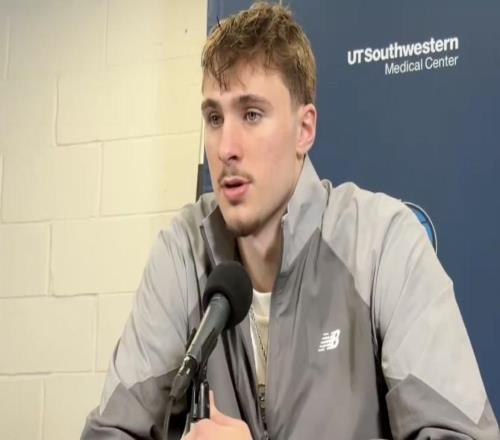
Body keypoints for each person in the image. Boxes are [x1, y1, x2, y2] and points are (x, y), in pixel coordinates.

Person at [82, 3, 499, 439]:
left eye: (252, 114)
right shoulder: (183, 251)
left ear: (304, 130)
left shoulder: (383, 243)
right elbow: (112, 432)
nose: (226, 148)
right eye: (215, 118)